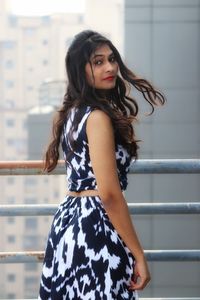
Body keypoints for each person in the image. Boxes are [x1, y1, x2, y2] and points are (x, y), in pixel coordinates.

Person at [38, 30, 165, 300]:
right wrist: (139, 255)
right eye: (98, 62)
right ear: (79, 71)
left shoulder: (73, 113)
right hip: (96, 229)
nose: (110, 67)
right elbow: (108, 194)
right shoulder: (96, 118)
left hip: (68, 225)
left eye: (111, 59)